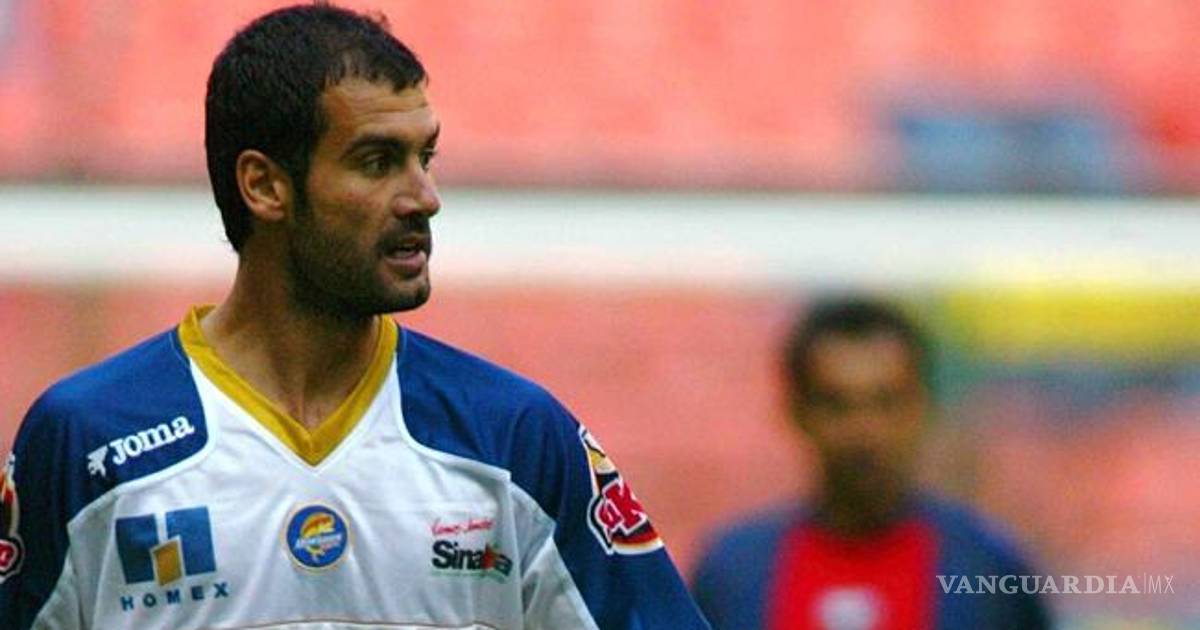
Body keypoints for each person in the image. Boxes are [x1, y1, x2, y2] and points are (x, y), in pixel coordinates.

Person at [0, 5, 709, 629]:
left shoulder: (514, 438)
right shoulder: (86, 440)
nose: (424, 197)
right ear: (264, 186)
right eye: (377, 162)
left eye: (425, 157)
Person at [691, 297, 1050, 630]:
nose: (864, 431)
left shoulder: (988, 572)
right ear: (796, 411)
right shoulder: (732, 574)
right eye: (837, 405)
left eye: (886, 402)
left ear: (923, 407)